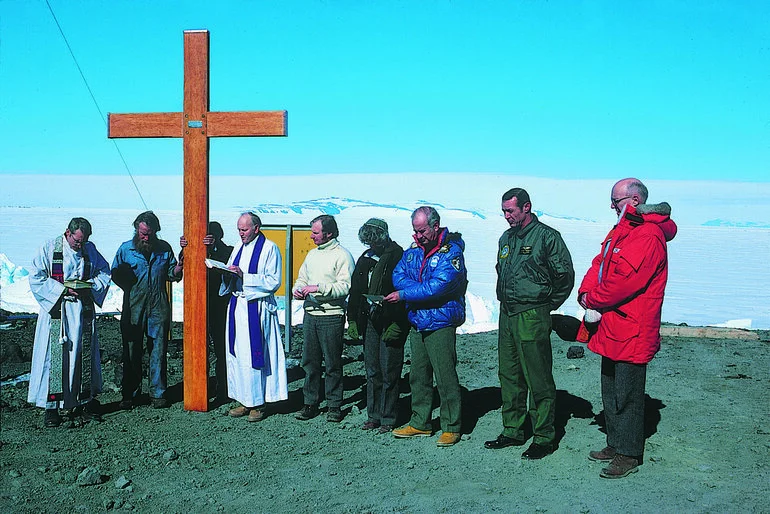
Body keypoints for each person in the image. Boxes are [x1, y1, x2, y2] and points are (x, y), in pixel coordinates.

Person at [578, 178, 677, 479]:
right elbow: (600, 264)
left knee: (629, 393)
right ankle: (615, 441)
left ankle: (629, 453)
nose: (611, 206)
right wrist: (584, 292)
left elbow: (626, 282)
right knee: (610, 387)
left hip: (633, 327)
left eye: (615, 200)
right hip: (613, 325)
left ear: (633, 200)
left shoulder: (647, 235)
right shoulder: (623, 230)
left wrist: (592, 298)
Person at [484, 188, 575, 460]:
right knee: (509, 374)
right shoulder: (506, 238)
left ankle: (544, 436)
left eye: (511, 211)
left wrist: (547, 306)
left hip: (532, 314)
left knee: (538, 376)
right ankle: (513, 430)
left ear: (526, 207)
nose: (507, 216)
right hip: (508, 314)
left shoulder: (547, 237)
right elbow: (502, 271)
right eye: (503, 211)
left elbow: (564, 276)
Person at [385, 206, 467, 447]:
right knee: (418, 375)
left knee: (445, 374)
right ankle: (420, 421)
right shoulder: (413, 252)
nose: (418, 236)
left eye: (421, 231)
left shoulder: (450, 253)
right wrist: (417, 288)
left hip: (440, 321)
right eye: (415, 231)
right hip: (419, 320)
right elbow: (398, 274)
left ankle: (452, 425)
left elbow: (439, 286)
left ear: (435, 225)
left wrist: (406, 293)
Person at [27, 217, 111, 427]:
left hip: (82, 312)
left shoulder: (90, 250)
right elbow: (36, 276)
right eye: (77, 241)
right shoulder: (49, 248)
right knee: (54, 359)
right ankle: (52, 408)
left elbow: (104, 272)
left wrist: (90, 285)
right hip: (58, 312)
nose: (79, 246)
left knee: (81, 358)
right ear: (68, 233)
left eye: (83, 241)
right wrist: (62, 289)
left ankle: (82, 403)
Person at [216, 212, 287, 421]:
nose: (241, 234)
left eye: (244, 230)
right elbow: (233, 269)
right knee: (238, 353)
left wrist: (243, 276)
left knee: (255, 355)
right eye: (239, 229)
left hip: (256, 308)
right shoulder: (238, 247)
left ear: (256, 228)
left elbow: (274, 280)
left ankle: (259, 403)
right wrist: (226, 272)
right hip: (238, 305)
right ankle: (244, 399)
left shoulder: (269, 248)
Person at [112, 211, 182, 410]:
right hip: (133, 306)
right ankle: (130, 393)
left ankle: (158, 393)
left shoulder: (164, 249)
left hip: (158, 305)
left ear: (155, 232)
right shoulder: (125, 250)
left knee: (158, 350)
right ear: (136, 229)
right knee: (132, 350)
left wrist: (178, 269)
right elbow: (114, 272)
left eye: (149, 233)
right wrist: (124, 279)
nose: (145, 237)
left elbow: (171, 273)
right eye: (142, 233)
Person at [347, 218, 410, 434]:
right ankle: (373, 415)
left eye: (373, 241)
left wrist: (400, 323)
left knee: (390, 369)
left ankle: (389, 417)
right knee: (372, 369)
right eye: (368, 242)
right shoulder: (365, 259)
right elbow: (355, 291)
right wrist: (353, 319)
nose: (371, 246)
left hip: (391, 319)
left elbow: (405, 291)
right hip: (370, 320)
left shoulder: (398, 256)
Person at [292, 214, 355, 422]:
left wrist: (318, 288)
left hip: (331, 316)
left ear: (329, 233)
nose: (311, 236)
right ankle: (310, 402)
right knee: (309, 362)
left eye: (315, 232)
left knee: (332, 363)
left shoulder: (342, 256)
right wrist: (298, 289)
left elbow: (346, 286)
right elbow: (302, 278)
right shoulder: (312, 255)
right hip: (311, 315)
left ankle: (334, 405)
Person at [180, 221, 234, 402]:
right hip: (197, 305)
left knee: (221, 348)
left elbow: (229, 266)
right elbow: (182, 264)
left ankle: (223, 389)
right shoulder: (196, 249)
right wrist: (185, 247)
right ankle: (198, 388)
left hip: (219, 307)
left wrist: (214, 248)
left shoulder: (228, 251)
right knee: (197, 347)